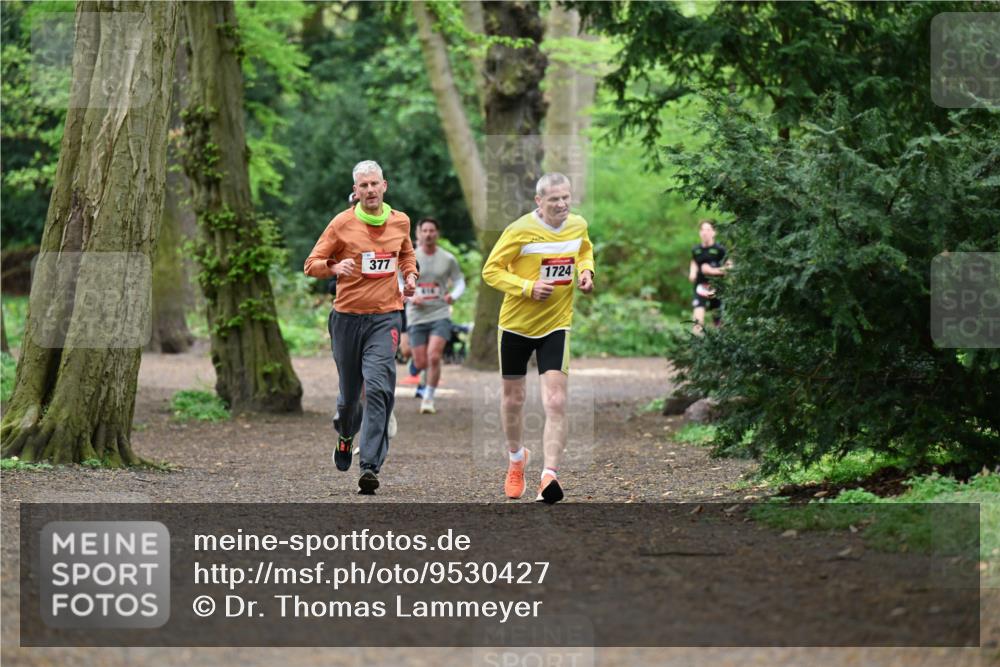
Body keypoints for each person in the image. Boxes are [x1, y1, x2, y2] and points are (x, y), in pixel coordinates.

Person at [481, 172, 595, 504]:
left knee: (556, 401)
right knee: (513, 400)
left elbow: (584, 251)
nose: (561, 204)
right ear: (539, 201)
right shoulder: (518, 230)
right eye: (554, 199)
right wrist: (528, 287)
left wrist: (586, 272)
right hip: (515, 325)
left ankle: (549, 477)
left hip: (556, 325)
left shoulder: (578, 225)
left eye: (565, 197)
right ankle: (517, 459)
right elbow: (491, 270)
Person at [305, 160, 417, 495]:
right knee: (349, 399)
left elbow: (406, 256)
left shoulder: (400, 221)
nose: (369, 190)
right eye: (363, 186)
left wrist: (410, 276)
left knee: (380, 388)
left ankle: (369, 465)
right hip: (347, 319)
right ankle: (344, 434)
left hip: (386, 317)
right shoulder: (341, 224)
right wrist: (334, 266)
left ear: (385, 185)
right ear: (355, 191)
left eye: (374, 184)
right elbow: (311, 265)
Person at [406, 217, 466, 415]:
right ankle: (418, 370)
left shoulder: (448, 259)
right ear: (419, 233)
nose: (428, 234)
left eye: (432, 231)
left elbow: (459, 282)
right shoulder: (410, 257)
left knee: (434, 356)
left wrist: (453, 295)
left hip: (439, 313)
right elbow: (398, 281)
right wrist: (410, 296)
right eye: (425, 231)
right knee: (420, 362)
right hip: (417, 314)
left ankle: (428, 398)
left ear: (437, 234)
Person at [688, 219, 728, 334]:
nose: (705, 232)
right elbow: (694, 261)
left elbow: (730, 268)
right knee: (698, 310)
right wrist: (692, 272)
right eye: (702, 230)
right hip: (700, 286)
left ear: (714, 232)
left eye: (708, 229)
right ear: (699, 233)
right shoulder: (696, 250)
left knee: (718, 319)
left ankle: (721, 344)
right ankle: (696, 341)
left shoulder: (720, 250)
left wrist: (712, 271)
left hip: (717, 288)